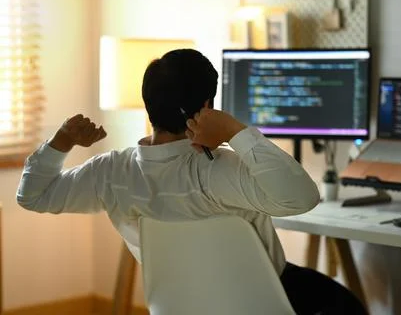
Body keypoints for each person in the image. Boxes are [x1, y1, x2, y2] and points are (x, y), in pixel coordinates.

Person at [16, 49, 367, 315]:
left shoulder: (112, 172)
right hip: (259, 300)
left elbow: (33, 196)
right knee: (346, 304)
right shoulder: (224, 170)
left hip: (179, 304)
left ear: (148, 104)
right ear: (207, 105)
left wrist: (61, 140)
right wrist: (233, 130)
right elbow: (303, 197)